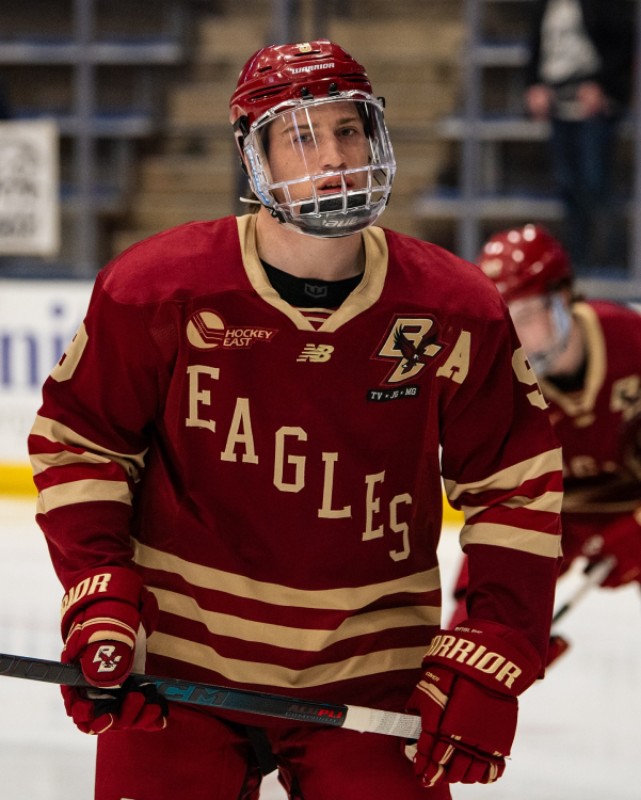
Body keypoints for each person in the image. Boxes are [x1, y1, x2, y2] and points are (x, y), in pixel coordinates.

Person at [27, 41, 562, 800]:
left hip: (374, 671)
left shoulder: (455, 307)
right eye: (302, 137)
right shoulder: (156, 289)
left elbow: (517, 482)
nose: (334, 157)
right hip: (179, 663)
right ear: (256, 159)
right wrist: (102, 590)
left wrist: (493, 644)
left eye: (348, 130)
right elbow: (82, 442)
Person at [449, 223, 641, 664]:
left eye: (525, 314)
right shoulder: (499, 390)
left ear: (564, 296)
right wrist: (479, 629)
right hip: (558, 516)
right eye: (502, 320)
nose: (514, 336)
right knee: (483, 622)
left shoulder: (633, 342)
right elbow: (500, 515)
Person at [523, 0, 635, 269]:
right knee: (566, 185)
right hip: (557, 101)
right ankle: (578, 260)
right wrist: (534, 85)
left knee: (595, 182)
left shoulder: (605, 6)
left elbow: (623, 45)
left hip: (594, 103)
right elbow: (535, 47)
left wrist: (604, 87)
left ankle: (609, 261)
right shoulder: (544, 6)